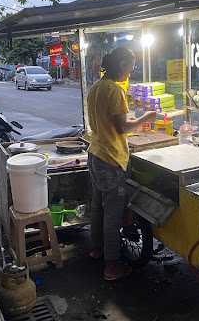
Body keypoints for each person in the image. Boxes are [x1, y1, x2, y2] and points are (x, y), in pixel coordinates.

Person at [87, 47, 157, 281]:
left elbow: (106, 123)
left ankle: (97, 249)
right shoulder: (115, 91)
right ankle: (112, 265)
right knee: (113, 214)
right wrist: (147, 117)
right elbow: (122, 128)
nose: (131, 71)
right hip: (111, 159)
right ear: (121, 65)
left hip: (96, 153)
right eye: (131, 66)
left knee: (98, 207)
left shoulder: (96, 87)